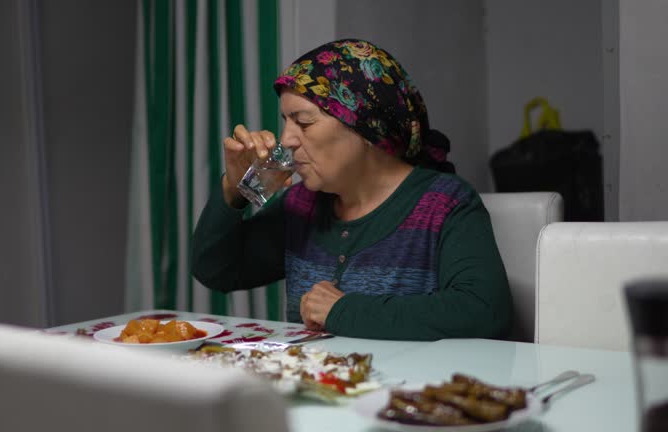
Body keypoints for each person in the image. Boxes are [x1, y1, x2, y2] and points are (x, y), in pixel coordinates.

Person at [192, 39, 512, 340]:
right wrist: (236, 189)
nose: (287, 139)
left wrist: (342, 311)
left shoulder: (445, 202)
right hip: (317, 391)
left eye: (303, 122)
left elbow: (484, 312)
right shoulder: (302, 204)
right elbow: (216, 270)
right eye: (286, 122)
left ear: (365, 127)